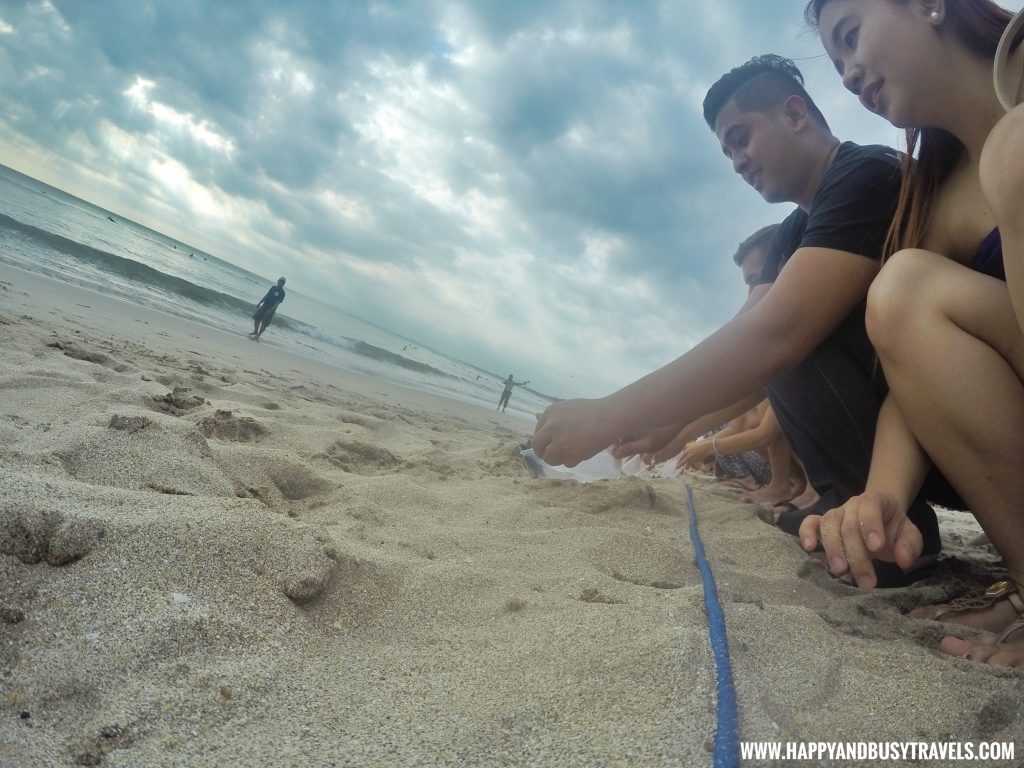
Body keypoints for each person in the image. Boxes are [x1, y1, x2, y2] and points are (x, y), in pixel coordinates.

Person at [533, 54, 949, 582]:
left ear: (795, 114)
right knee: (774, 339)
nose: (736, 161)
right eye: (727, 151)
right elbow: (745, 342)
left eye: (742, 137)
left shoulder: (865, 174)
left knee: (796, 335)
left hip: (950, 419)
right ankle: (850, 500)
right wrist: (665, 425)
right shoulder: (794, 232)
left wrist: (609, 414)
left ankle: (888, 520)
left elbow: (776, 337)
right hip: (903, 422)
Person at [801, 0, 1024, 667]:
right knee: (901, 292)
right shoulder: (941, 192)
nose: (845, 76)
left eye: (851, 37)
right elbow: (915, 364)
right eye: (835, 63)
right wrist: (885, 494)